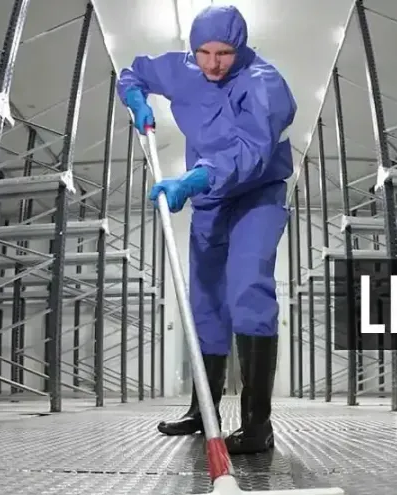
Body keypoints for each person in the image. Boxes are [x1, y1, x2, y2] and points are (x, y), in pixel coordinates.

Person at [115, 4, 297, 455]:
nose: (213, 63)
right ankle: (203, 413)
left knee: (248, 288)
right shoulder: (184, 70)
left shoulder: (265, 85)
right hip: (211, 201)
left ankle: (258, 425)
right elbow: (133, 72)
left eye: (224, 53)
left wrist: (193, 179)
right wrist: (135, 98)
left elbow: (251, 151)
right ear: (192, 50)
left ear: (241, 46)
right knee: (205, 301)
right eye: (204, 53)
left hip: (256, 193)